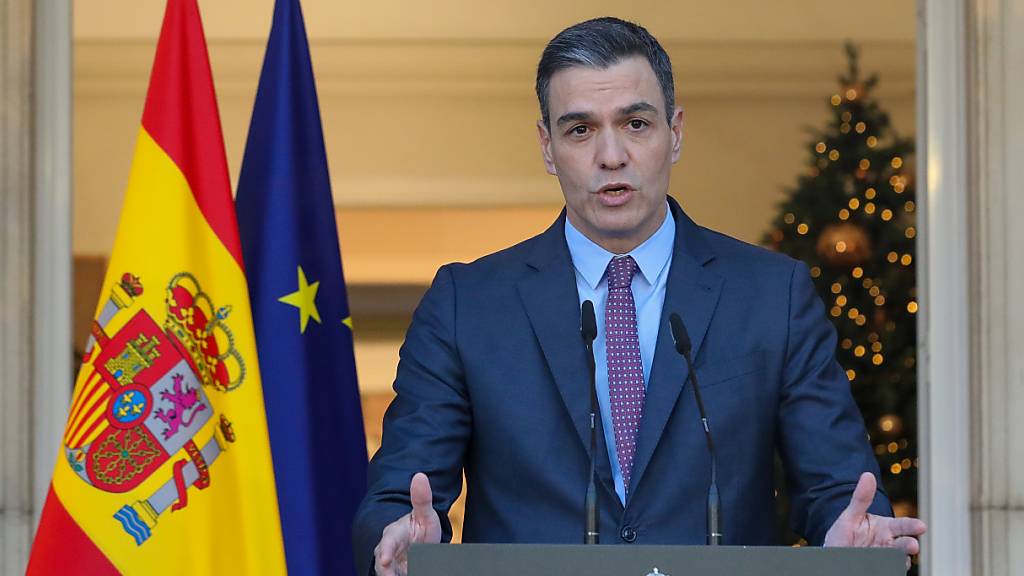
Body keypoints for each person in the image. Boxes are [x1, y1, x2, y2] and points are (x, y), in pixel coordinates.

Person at [352, 17, 926, 576]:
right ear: (548, 147)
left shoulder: (772, 295)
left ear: (674, 134)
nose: (611, 155)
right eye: (580, 129)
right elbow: (399, 492)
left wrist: (849, 539)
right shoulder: (467, 303)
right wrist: (399, 536)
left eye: (635, 124)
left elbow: (837, 488)